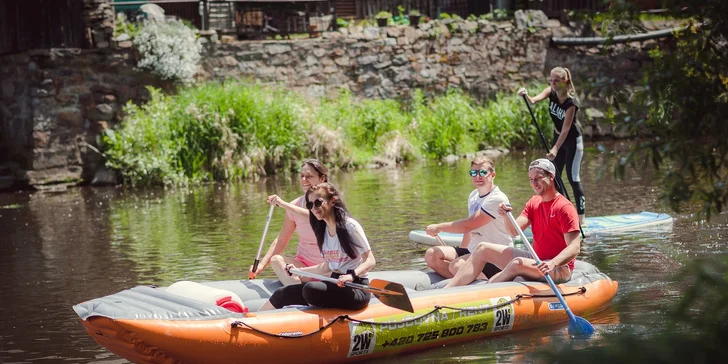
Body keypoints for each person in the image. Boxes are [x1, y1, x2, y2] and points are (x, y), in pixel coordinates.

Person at [445, 158, 581, 286]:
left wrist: (553, 263)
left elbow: (574, 247)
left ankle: (486, 289)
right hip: (535, 258)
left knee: (517, 263)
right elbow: (513, 231)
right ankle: (447, 292)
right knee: (482, 248)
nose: (534, 183)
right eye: (531, 179)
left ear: (551, 177)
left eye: (538, 179)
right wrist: (506, 216)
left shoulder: (564, 208)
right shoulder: (534, 202)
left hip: (559, 267)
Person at [258, 182, 376, 311]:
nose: (314, 208)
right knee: (283, 293)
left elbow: (370, 260)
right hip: (335, 284)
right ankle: (251, 322)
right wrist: (299, 271)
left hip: (355, 288)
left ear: (333, 201)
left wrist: (351, 275)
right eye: (310, 205)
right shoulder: (323, 231)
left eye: (318, 203)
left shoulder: (350, 227)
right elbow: (326, 266)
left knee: (311, 289)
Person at [423, 156, 513, 284]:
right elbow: (470, 230)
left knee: (456, 266)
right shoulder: (473, 196)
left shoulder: (497, 198)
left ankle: (487, 285)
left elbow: (468, 225)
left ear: (493, 175)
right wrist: (463, 249)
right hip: (474, 250)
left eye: (482, 172)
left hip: (495, 256)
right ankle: (461, 282)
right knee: (432, 254)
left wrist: (439, 227)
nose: (478, 176)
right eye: (473, 173)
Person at [518, 67, 587, 225]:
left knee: (573, 178)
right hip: (558, 138)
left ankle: (581, 219)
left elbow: (566, 129)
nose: (553, 84)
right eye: (551, 81)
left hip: (572, 142)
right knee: (555, 178)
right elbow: (533, 100)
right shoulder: (551, 92)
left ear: (565, 82)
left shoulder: (571, 103)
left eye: (556, 81)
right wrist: (525, 94)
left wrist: (555, 148)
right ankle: (562, 213)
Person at [249, 159, 328, 285]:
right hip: (303, 266)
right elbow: (282, 239)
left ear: (322, 178)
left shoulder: (330, 202)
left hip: (327, 268)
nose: (303, 180)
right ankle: (296, 294)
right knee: (276, 260)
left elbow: (315, 216)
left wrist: (284, 204)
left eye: (309, 176)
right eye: (302, 176)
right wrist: (261, 265)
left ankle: (303, 292)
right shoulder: (295, 205)